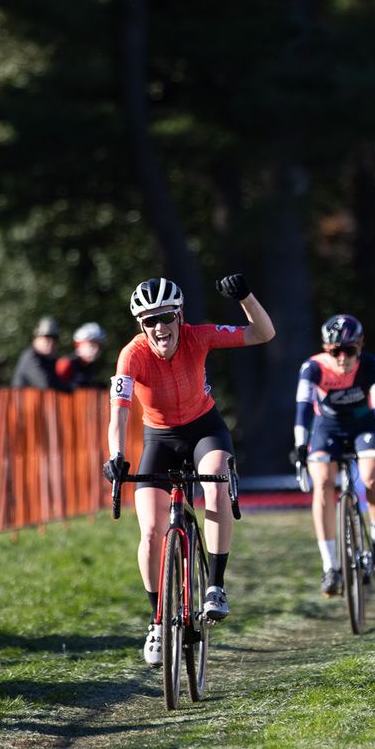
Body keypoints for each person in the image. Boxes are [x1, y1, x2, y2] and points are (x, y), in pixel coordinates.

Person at [104, 274, 274, 667]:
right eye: (150, 321)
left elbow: (262, 334)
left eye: (166, 317)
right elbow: (119, 415)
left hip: (205, 430)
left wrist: (246, 296)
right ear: (140, 326)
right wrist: (116, 455)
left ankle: (215, 585)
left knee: (214, 486)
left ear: (180, 315)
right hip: (159, 440)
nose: (160, 328)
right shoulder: (132, 355)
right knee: (150, 530)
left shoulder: (199, 336)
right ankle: (156, 621)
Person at [292, 314, 375, 597]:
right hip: (328, 427)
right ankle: (330, 566)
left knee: (371, 478)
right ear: (326, 350)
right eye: (335, 351)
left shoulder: (373, 365)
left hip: (364, 426)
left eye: (348, 351)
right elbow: (302, 405)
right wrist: (301, 444)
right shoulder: (312, 367)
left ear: (360, 347)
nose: (342, 358)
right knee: (323, 484)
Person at [11, 316, 70, 391]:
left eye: (55, 338)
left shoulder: (53, 360)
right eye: (47, 337)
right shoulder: (30, 357)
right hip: (24, 402)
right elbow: (45, 384)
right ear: (36, 338)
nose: (51, 342)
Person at [55, 322, 107, 389]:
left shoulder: (91, 366)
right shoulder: (66, 364)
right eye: (92, 345)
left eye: (100, 346)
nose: (96, 350)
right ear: (79, 344)